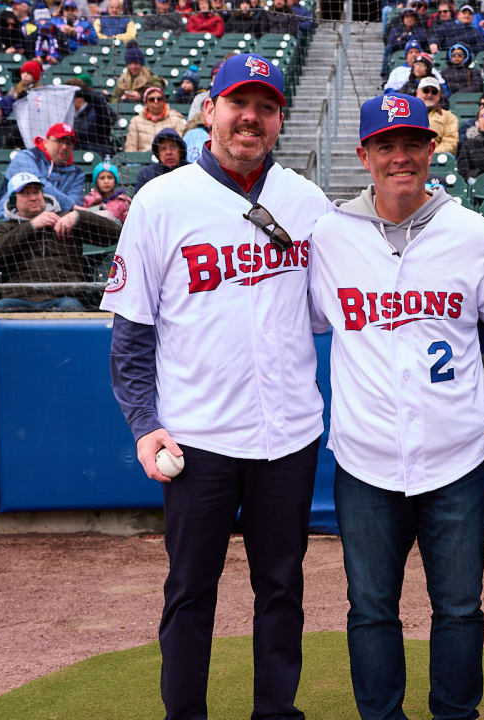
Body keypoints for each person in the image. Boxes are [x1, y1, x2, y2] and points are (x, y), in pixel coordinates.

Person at [101, 52, 332, 716]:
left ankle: (276, 711)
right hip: (197, 439)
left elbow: (326, 311)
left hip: (287, 435)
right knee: (190, 592)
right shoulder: (161, 200)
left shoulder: (305, 201)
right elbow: (131, 334)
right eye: (238, 103)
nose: (250, 118)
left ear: (279, 120)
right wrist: (144, 424)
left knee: (282, 590)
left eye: (265, 107)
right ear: (210, 111)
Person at [307, 89, 484, 720]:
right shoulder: (330, 238)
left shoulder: (473, 232)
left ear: (433, 150)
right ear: (364, 155)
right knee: (371, 608)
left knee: (459, 608)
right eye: (386, 146)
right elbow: (316, 321)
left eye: (412, 144)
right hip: (364, 461)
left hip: (455, 459)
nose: (400, 157)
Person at [0, 171, 118, 311]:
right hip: (18, 298)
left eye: (36, 192)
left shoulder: (65, 219)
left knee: (72, 309)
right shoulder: (7, 227)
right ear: (13, 201)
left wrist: (79, 216)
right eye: (25, 194)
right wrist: (31, 226)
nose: (33, 198)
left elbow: (113, 235)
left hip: (63, 297)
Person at [0, 122, 83, 218]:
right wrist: (70, 205)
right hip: (9, 219)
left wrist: (70, 207)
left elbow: (75, 203)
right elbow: (37, 182)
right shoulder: (25, 157)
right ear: (46, 142)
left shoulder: (77, 174)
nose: (64, 147)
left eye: (69, 143)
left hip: (53, 225)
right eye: (59, 141)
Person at [125, 86, 187, 152]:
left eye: (159, 99)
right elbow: (131, 147)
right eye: (152, 99)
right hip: (142, 159)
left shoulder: (176, 119)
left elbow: (180, 146)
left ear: (164, 101)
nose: (156, 101)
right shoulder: (136, 121)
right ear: (146, 102)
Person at [68, 76, 118, 156]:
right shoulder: (68, 114)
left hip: (98, 156)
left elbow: (111, 116)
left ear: (80, 98)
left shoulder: (97, 111)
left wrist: (83, 92)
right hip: (76, 155)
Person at [418, 77, 459, 154]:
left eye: (434, 92)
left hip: (436, 161)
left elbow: (451, 143)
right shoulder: (407, 115)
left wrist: (429, 155)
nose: (430, 95)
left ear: (439, 95)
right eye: (426, 90)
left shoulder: (449, 117)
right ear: (417, 93)